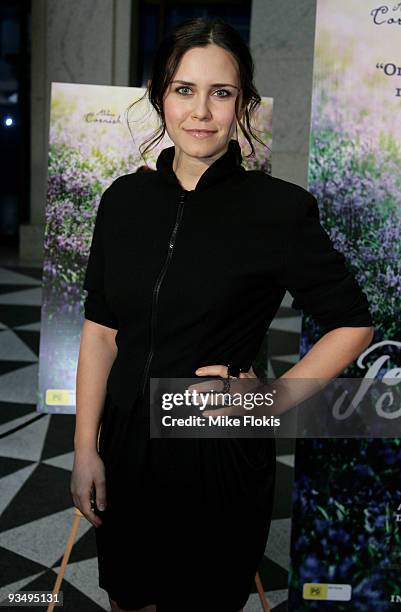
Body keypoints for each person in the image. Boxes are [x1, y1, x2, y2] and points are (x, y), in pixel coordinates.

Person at [70, 16, 374, 612]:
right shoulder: (123, 202)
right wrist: (86, 449)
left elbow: (353, 321)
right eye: (184, 89)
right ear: (160, 95)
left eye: (221, 92)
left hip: (215, 443)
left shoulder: (279, 211)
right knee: (129, 601)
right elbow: (102, 331)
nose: (201, 111)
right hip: (128, 443)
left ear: (243, 104)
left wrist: (272, 400)